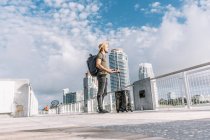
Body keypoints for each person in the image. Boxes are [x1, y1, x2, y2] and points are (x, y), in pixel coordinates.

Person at [96, 42, 119, 113]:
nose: (108, 48)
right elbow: (98, 65)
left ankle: (100, 107)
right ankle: (100, 108)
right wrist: (107, 70)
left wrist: (114, 70)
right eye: (107, 47)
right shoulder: (100, 54)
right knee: (100, 92)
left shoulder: (104, 56)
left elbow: (106, 68)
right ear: (103, 47)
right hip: (101, 75)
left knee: (105, 92)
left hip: (104, 75)